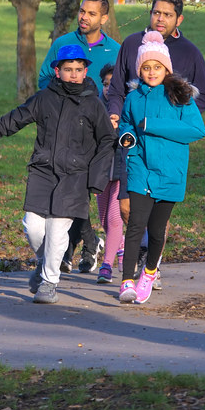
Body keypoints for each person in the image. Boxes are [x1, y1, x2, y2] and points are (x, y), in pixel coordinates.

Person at [0, 44, 115, 304]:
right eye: (68, 70)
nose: (74, 75)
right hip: (43, 173)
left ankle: (49, 283)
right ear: (57, 71)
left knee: (57, 231)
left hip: (75, 178)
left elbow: (106, 141)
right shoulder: (45, 98)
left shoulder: (93, 103)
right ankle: (45, 263)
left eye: (79, 69)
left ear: (86, 70)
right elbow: (12, 120)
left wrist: (96, 180)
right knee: (32, 226)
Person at [116, 32, 205, 304]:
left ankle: (150, 272)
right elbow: (126, 126)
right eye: (146, 67)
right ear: (139, 70)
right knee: (135, 226)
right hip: (141, 167)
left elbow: (196, 130)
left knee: (156, 231)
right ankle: (126, 282)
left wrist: (151, 125)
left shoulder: (181, 96)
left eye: (156, 67)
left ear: (166, 68)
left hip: (169, 171)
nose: (151, 72)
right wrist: (127, 137)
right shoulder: (133, 98)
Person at [37, 0, 120, 273]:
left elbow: (123, 89)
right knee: (74, 191)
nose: (84, 17)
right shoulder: (63, 43)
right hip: (67, 132)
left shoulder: (115, 50)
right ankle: (82, 246)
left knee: (83, 192)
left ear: (104, 18)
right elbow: (43, 78)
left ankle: (77, 248)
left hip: (102, 133)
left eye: (92, 13)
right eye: (82, 11)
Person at [94, 64, 126, 284]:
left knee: (115, 219)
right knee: (104, 219)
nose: (108, 89)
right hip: (99, 170)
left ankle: (106, 265)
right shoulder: (95, 106)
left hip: (122, 168)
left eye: (112, 84)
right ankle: (121, 248)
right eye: (105, 84)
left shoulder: (129, 108)